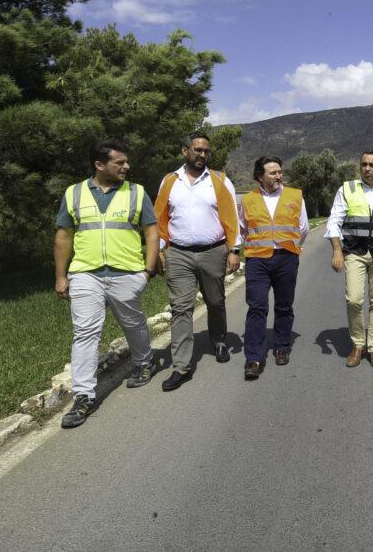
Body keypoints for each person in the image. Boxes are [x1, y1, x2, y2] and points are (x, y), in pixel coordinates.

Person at [54, 140, 158, 428]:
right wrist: (61, 276)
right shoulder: (73, 193)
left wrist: (147, 272)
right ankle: (84, 396)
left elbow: (152, 232)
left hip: (127, 272)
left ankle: (144, 360)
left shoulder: (136, 192)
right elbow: (64, 235)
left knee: (132, 322)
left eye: (126, 162)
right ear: (100, 165)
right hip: (85, 273)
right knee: (85, 331)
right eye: (120, 163)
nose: (127, 166)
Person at [153, 132, 242, 392]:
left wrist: (234, 250)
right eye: (198, 150)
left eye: (206, 151)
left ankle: (219, 340)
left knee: (215, 301)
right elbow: (160, 218)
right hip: (178, 253)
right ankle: (182, 366)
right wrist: (158, 250)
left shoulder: (220, 180)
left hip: (213, 251)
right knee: (181, 307)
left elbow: (232, 218)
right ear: (185, 151)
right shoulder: (170, 181)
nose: (203, 155)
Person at [326, 151, 373, 369]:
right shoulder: (347, 189)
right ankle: (358, 344)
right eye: (363, 164)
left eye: (372, 165)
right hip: (354, 252)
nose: (367, 168)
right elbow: (334, 221)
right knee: (354, 299)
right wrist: (337, 250)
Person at [239, 156, 308, 380]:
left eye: (279, 171)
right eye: (273, 173)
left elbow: (303, 227)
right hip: (257, 260)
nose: (279, 176)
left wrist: (292, 248)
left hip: (286, 257)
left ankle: (281, 346)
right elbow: (243, 229)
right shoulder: (248, 199)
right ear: (260, 176)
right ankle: (254, 358)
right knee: (257, 307)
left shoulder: (295, 195)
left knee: (284, 305)